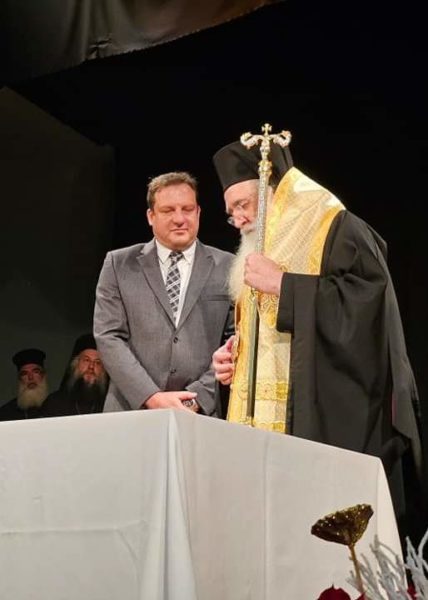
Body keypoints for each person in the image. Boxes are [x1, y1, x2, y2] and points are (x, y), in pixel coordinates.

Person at [211, 135, 424, 526]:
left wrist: (285, 285)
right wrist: (236, 356)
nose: (238, 219)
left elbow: (369, 307)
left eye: (243, 205)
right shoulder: (258, 245)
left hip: (323, 419)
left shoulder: (334, 225)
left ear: (273, 192)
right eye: (230, 212)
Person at [94, 171, 234, 415]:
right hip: (130, 411)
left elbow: (237, 342)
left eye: (187, 209)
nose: (179, 219)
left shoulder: (228, 266)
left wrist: (196, 397)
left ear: (198, 213)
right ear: (151, 216)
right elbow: (108, 336)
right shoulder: (118, 264)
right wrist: (151, 397)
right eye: (168, 210)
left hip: (200, 413)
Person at [42, 333, 109, 416]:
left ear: (103, 371)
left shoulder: (111, 404)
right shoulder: (54, 403)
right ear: (76, 364)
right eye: (86, 360)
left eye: (98, 363)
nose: (91, 366)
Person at [0, 348, 49, 420]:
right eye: (24, 374)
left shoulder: (58, 405)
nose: (30, 377)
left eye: (36, 372)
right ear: (19, 379)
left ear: (43, 375)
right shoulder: (5, 413)